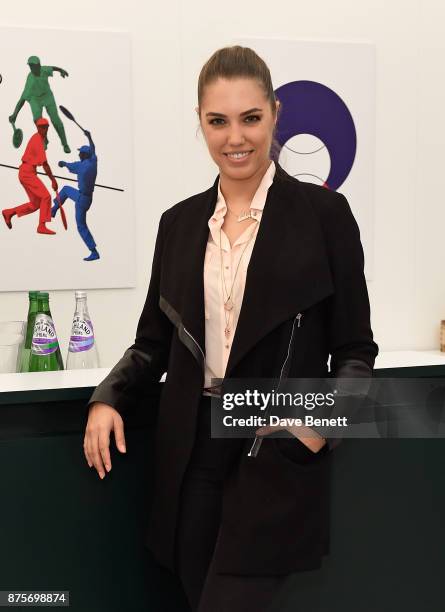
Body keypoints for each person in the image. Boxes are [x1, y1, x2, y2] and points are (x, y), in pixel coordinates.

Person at [83, 46, 378, 611]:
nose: (234, 137)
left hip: (274, 454)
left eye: (251, 118)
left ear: (275, 113)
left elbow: (356, 352)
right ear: (200, 122)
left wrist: (318, 425)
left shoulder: (325, 218)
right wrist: (109, 396)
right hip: (191, 454)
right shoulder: (179, 224)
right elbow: (152, 343)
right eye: (217, 121)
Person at [2, 117, 58, 235]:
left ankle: (9, 212)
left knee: (35, 204)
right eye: (42, 127)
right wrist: (53, 180)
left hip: (27, 172)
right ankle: (41, 226)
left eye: (46, 127)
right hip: (27, 172)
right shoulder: (37, 140)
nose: (45, 129)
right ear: (38, 128)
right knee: (46, 197)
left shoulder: (39, 139)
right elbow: (45, 164)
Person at [51, 130, 100, 261]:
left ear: (83, 155)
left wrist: (63, 163)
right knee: (66, 189)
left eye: (80, 153)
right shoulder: (93, 161)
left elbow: (70, 165)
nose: (78, 154)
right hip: (86, 197)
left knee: (81, 225)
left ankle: (94, 252)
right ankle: (54, 209)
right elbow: (94, 150)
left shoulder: (82, 166)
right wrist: (89, 137)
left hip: (82, 200)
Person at [9, 55, 71, 154]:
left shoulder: (43, 70)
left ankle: (65, 143)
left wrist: (61, 70)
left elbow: (52, 68)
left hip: (47, 96)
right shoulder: (30, 81)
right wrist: (15, 114)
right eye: (31, 67)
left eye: (35, 66)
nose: (34, 68)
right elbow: (22, 100)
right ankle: (44, 139)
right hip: (35, 99)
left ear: (39, 65)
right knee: (38, 120)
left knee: (56, 120)